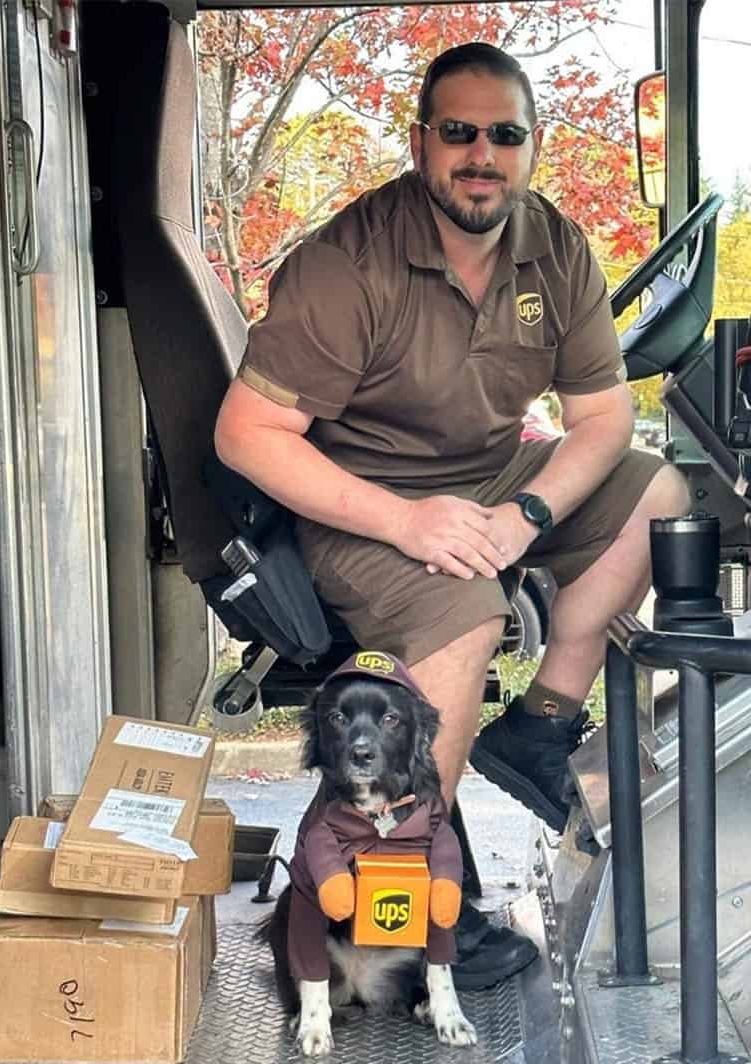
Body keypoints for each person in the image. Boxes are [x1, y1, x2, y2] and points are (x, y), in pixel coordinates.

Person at [214, 42, 690, 990]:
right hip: (363, 502)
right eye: (460, 132)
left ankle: (540, 728)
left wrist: (528, 511)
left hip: (496, 479)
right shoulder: (348, 262)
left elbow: (601, 421)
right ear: (422, 141)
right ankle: (400, 898)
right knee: (464, 610)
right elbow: (247, 433)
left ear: (532, 146)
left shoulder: (553, 247)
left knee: (661, 493)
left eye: (505, 135)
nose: (483, 154)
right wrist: (405, 523)